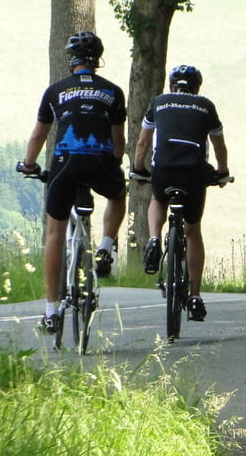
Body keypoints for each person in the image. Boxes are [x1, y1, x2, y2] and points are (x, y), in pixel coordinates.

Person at [18, 30, 127, 335]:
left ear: (71, 61)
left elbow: (39, 134)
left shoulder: (55, 91)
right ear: (98, 61)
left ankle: (52, 311)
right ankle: (105, 246)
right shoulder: (114, 92)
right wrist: (112, 164)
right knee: (118, 195)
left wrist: (28, 164)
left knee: (55, 232)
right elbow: (119, 142)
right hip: (100, 162)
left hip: (64, 165)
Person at [131, 64, 230, 323]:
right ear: (197, 87)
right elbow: (219, 144)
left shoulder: (158, 102)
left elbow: (142, 142)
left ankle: (154, 238)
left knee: (157, 199)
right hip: (194, 173)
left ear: (171, 86)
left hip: (163, 170)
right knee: (192, 230)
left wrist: (139, 169)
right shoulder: (206, 106)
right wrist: (222, 172)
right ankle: (195, 295)